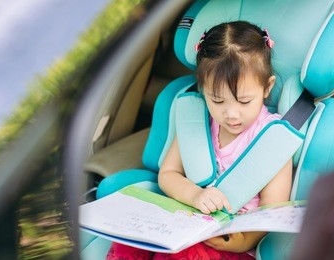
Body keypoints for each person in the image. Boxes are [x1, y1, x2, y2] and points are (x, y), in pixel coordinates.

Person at [106, 21, 293, 260]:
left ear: (267, 88)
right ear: (203, 90)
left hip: (232, 243)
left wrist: (241, 242)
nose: (231, 114)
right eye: (217, 100)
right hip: (185, 219)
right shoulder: (197, 121)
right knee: (127, 236)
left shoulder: (273, 140)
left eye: (244, 101)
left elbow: (271, 211)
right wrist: (195, 195)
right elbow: (169, 173)